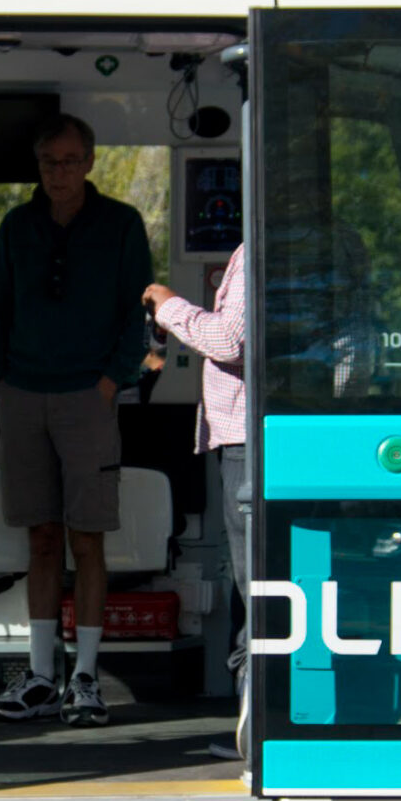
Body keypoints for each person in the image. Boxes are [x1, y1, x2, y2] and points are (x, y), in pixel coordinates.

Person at [0, 113, 153, 728]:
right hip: (22, 392)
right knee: (41, 537)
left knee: (88, 538)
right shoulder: (16, 225)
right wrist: (0, 377)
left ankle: (86, 676)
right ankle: (42, 676)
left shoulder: (122, 224)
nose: (60, 172)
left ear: (90, 162)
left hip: (89, 395)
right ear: (39, 165)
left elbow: (139, 313)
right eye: (50, 161)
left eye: (71, 160)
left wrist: (110, 382)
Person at [146, 244, 250, 763]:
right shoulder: (335, 243)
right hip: (272, 434)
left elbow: (228, 339)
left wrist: (167, 305)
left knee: (253, 582)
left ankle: (257, 729)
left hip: (252, 439)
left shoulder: (265, 242)